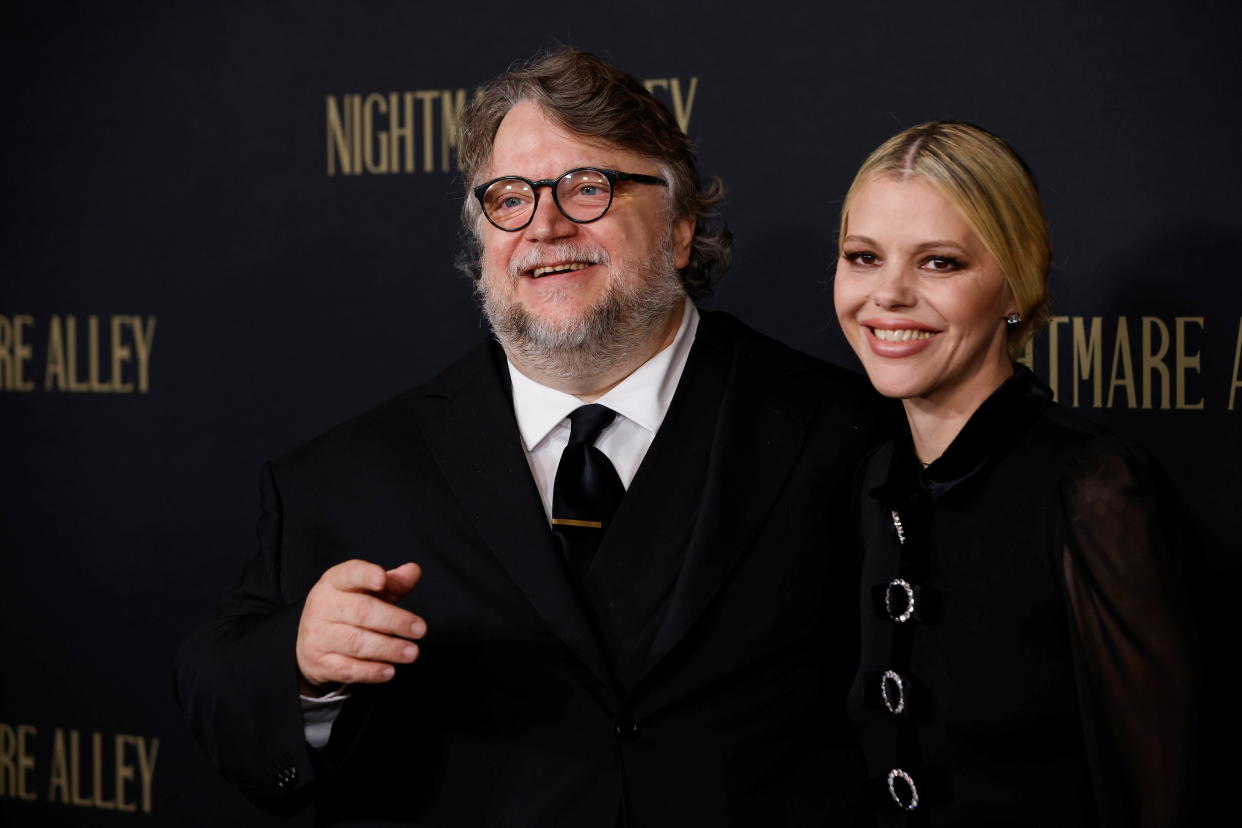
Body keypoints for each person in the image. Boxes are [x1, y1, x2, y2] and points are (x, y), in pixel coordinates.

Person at [177, 48, 881, 827]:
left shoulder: (845, 436)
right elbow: (224, 691)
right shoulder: (347, 477)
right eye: (508, 199)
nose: (544, 226)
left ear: (680, 229)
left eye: (589, 188)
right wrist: (305, 668)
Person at [833, 120, 1198, 826]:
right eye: (863, 256)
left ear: (1015, 285)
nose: (890, 295)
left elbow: (1163, 790)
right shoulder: (876, 480)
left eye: (939, 262)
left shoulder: (1094, 488)